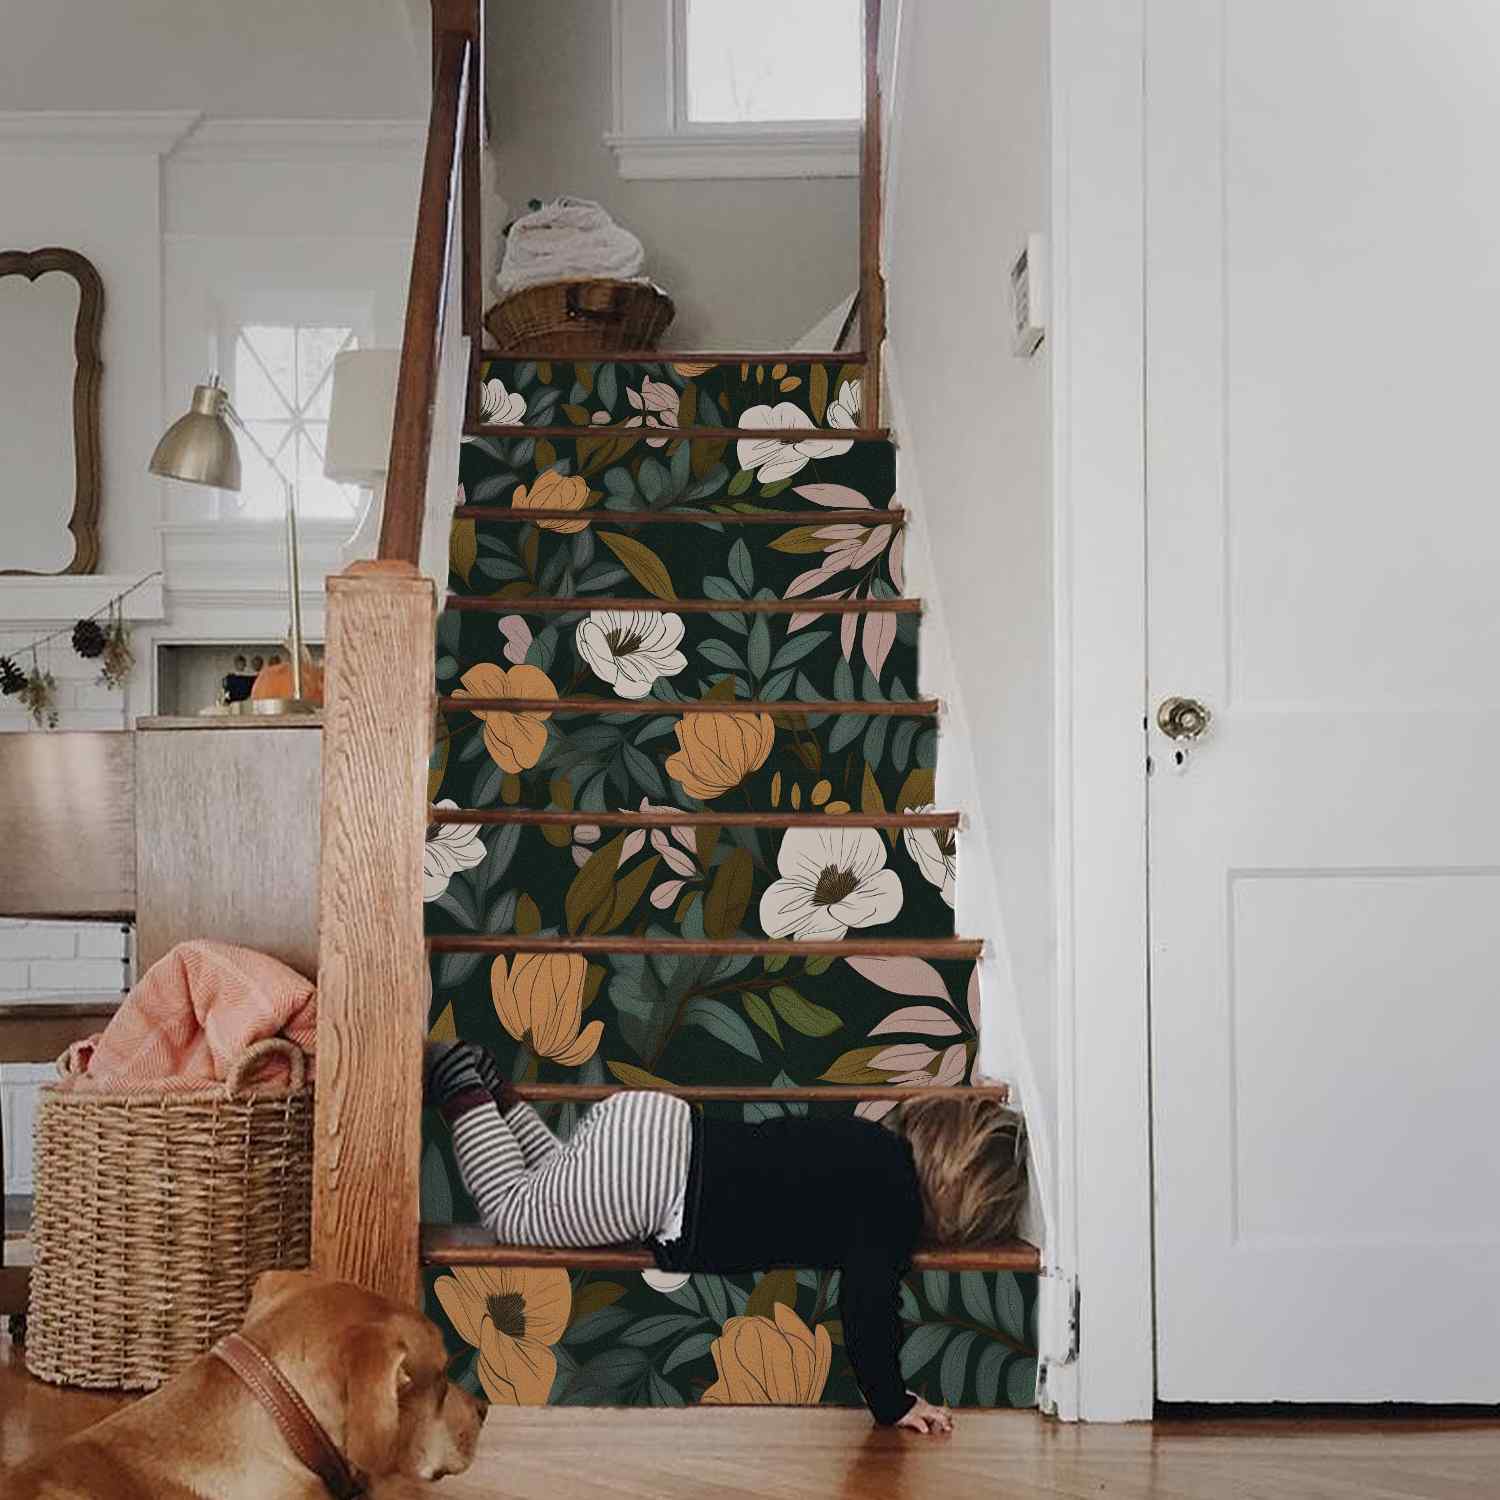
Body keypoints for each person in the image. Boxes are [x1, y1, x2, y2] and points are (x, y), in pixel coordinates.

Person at [426, 1043, 1027, 1434]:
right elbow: (869, 1307)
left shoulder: (870, 1143)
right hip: (658, 1181)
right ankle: (461, 1082)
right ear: (959, 1202)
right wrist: (893, 1402)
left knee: (553, 1178)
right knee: (517, 1212)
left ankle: (492, 1090)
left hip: (658, 1124)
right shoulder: (891, 1207)